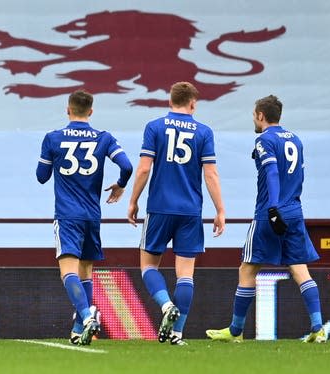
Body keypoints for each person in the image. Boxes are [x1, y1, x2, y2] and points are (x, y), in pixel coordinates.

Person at [206, 95, 326, 343]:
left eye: (254, 114)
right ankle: (318, 328)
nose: (253, 118)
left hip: (270, 213)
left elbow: (272, 171)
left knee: (248, 268)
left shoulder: (264, 139)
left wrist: (273, 208)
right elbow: (299, 177)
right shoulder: (295, 139)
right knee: (300, 268)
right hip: (294, 210)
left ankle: (236, 332)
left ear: (261, 115)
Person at [127, 81, 225, 346]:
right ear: (193, 104)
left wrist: (133, 201)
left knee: (148, 266)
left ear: (170, 101)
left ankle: (165, 304)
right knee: (185, 275)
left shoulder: (155, 127)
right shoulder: (204, 132)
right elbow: (210, 173)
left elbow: (144, 169)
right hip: (190, 211)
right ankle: (177, 332)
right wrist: (220, 210)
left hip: (159, 208)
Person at [36, 90, 133, 345]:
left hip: (67, 215)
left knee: (67, 271)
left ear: (68, 110)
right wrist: (121, 184)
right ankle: (79, 329)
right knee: (86, 271)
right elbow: (127, 166)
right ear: (91, 111)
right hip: (92, 215)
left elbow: (41, 176)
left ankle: (88, 315)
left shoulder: (53, 138)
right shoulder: (104, 138)